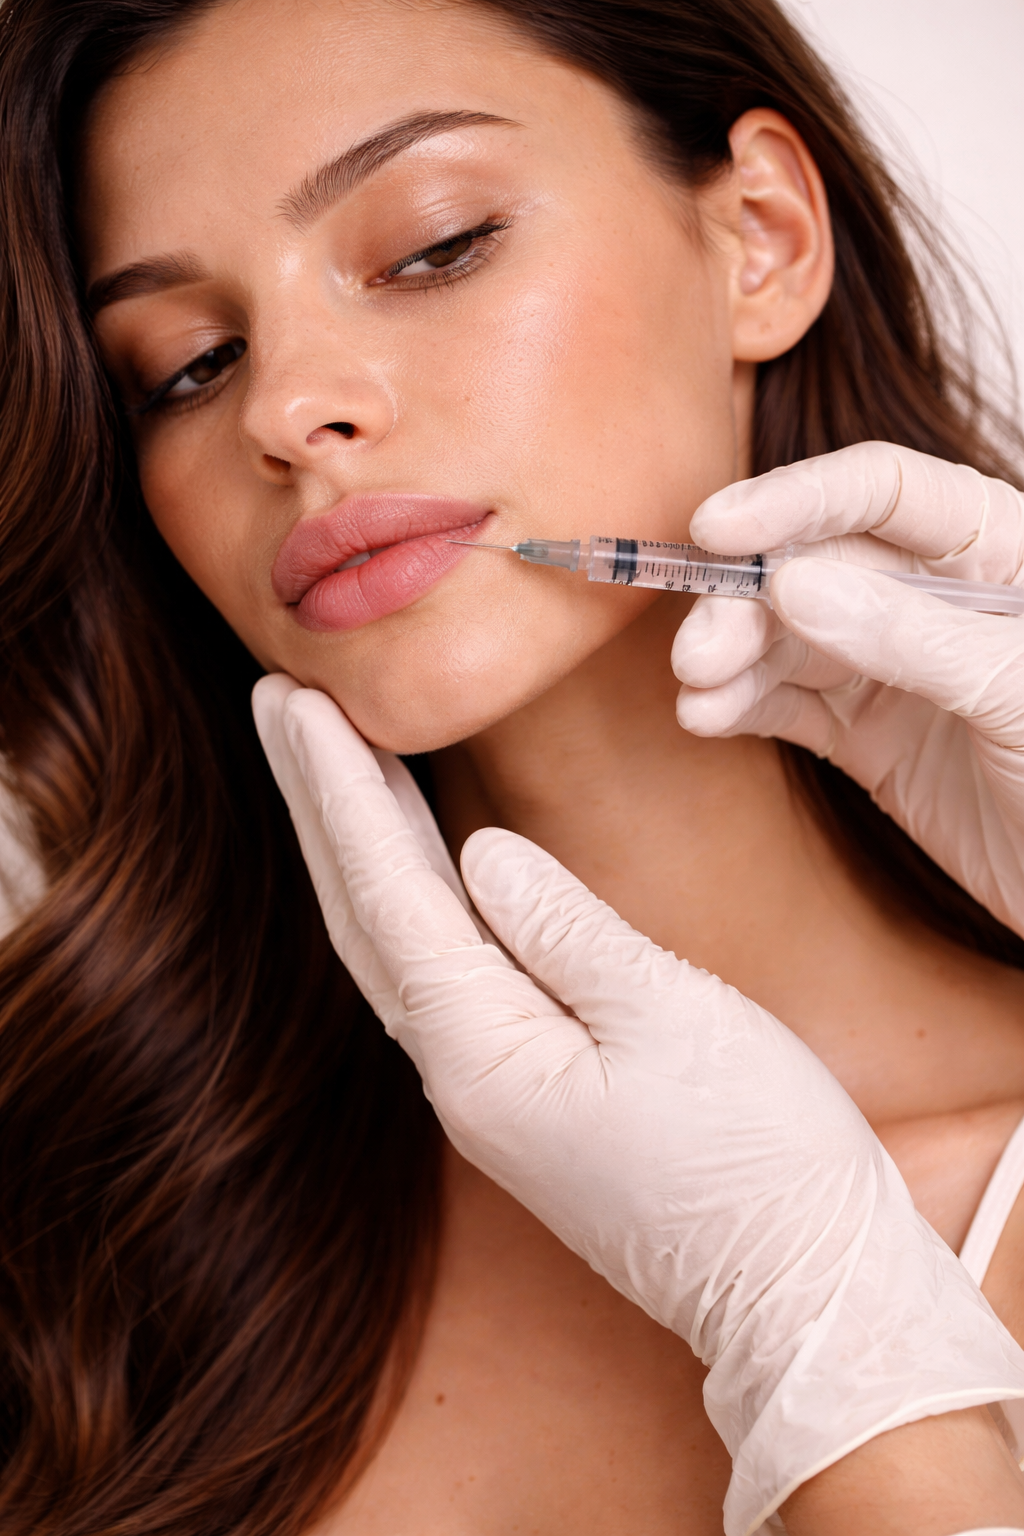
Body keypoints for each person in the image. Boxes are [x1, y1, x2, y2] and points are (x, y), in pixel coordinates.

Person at [1, 0, 1023, 1532]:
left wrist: (835, 1345)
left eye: (434, 247)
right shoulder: (90, 1211)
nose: (286, 407)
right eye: (188, 365)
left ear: (759, 236)